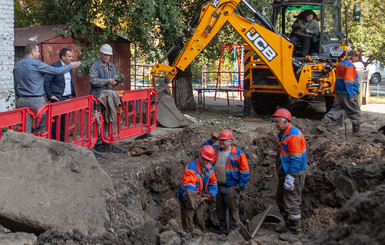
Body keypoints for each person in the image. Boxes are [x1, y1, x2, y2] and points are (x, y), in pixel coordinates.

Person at [13, 43, 81, 134]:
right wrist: (71, 66)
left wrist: (18, 97)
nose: (39, 54)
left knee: (26, 129)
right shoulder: (36, 64)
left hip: (21, 100)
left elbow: (15, 84)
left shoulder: (17, 65)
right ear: (33, 52)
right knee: (46, 126)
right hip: (36, 100)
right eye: (37, 51)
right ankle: (42, 142)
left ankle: (28, 146)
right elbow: (56, 71)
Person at [203, 130, 250, 234]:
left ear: (230, 141)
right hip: (217, 186)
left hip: (231, 187)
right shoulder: (216, 151)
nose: (221, 143)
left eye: (223, 141)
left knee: (233, 210)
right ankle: (224, 231)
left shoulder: (238, 154)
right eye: (220, 141)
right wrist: (211, 141)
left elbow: (245, 171)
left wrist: (241, 185)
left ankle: (235, 232)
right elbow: (204, 149)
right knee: (220, 210)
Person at [272, 109, 307, 232]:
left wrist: (291, 176)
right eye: (274, 122)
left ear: (285, 122)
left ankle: (294, 229)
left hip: (294, 174)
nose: (275, 124)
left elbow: (296, 158)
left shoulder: (292, 136)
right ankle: (287, 223)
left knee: (291, 201)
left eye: (277, 122)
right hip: (286, 174)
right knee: (280, 198)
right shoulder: (284, 135)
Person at [317, 50, 361, 135]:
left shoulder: (340, 64)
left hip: (339, 92)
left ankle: (323, 125)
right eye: (356, 56)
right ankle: (356, 132)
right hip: (348, 92)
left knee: (336, 109)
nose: (357, 58)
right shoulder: (350, 66)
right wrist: (351, 95)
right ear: (352, 56)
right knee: (355, 111)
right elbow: (348, 81)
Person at [178, 145, 218, 232]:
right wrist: (196, 196)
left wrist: (211, 194)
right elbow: (190, 185)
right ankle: (189, 236)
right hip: (188, 198)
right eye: (203, 158)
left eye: (207, 160)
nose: (205, 162)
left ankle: (200, 236)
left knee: (200, 219)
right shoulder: (191, 167)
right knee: (189, 219)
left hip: (200, 198)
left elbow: (213, 183)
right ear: (199, 155)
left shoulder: (210, 168)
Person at [44, 48, 76, 141]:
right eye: (69, 56)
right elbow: (46, 81)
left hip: (67, 98)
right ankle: (55, 142)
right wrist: (50, 95)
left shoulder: (69, 67)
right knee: (56, 123)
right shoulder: (55, 67)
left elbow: (69, 82)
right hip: (58, 98)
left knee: (65, 122)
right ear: (63, 57)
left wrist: (71, 94)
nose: (71, 58)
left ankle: (63, 142)